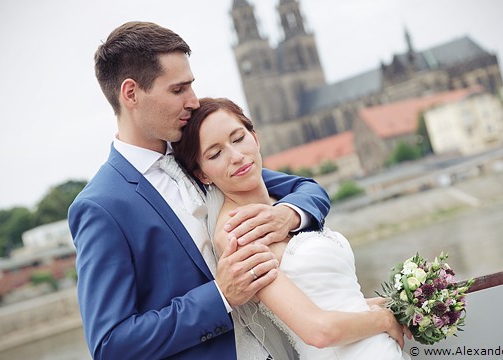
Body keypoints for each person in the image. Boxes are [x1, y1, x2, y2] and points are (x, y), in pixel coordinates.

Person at [67, 22, 330, 359]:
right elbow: (111, 345)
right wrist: (221, 295)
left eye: (191, 86)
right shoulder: (101, 206)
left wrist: (286, 216)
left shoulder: (199, 154)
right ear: (131, 93)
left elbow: (307, 189)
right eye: (179, 90)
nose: (193, 101)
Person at [172, 97, 412, 360]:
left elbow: (318, 295)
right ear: (202, 174)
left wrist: (365, 307)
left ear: (255, 137)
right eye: (215, 154)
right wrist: (384, 320)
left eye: (238, 138)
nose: (236, 156)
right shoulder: (237, 234)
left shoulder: (283, 200)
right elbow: (317, 332)